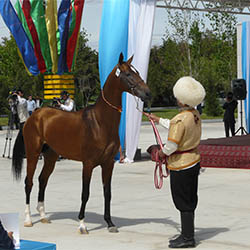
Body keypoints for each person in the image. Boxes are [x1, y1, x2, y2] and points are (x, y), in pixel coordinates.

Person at [148, 76, 206, 248]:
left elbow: (172, 145)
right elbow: (175, 124)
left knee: (182, 202)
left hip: (181, 165)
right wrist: (158, 120)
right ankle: (187, 234)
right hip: (193, 161)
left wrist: (160, 153)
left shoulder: (181, 120)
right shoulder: (194, 114)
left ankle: (188, 238)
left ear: (182, 99)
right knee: (190, 200)